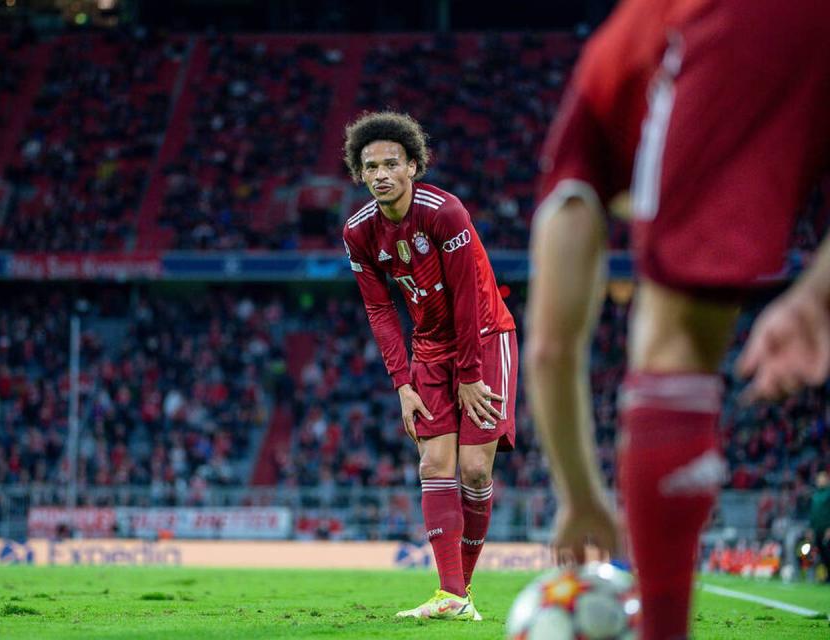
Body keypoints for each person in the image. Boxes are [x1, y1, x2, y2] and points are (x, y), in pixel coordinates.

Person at [526, 1, 830, 638]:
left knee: (671, 341)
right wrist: (815, 294)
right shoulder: (616, 55)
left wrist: (580, 495)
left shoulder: (600, 106)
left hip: (736, 19)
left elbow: (551, 346)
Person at [342, 111, 518, 621]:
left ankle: (461, 588)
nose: (380, 174)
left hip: (485, 339)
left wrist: (469, 375)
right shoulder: (358, 232)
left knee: (474, 469)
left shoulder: (445, 213)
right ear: (360, 173)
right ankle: (452, 596)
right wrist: (402, 382)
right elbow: (378, 309)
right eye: (370, 166)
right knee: (432, 465)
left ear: (413, 166)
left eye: (391, 163)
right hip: (429, 350)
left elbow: (467, 298)